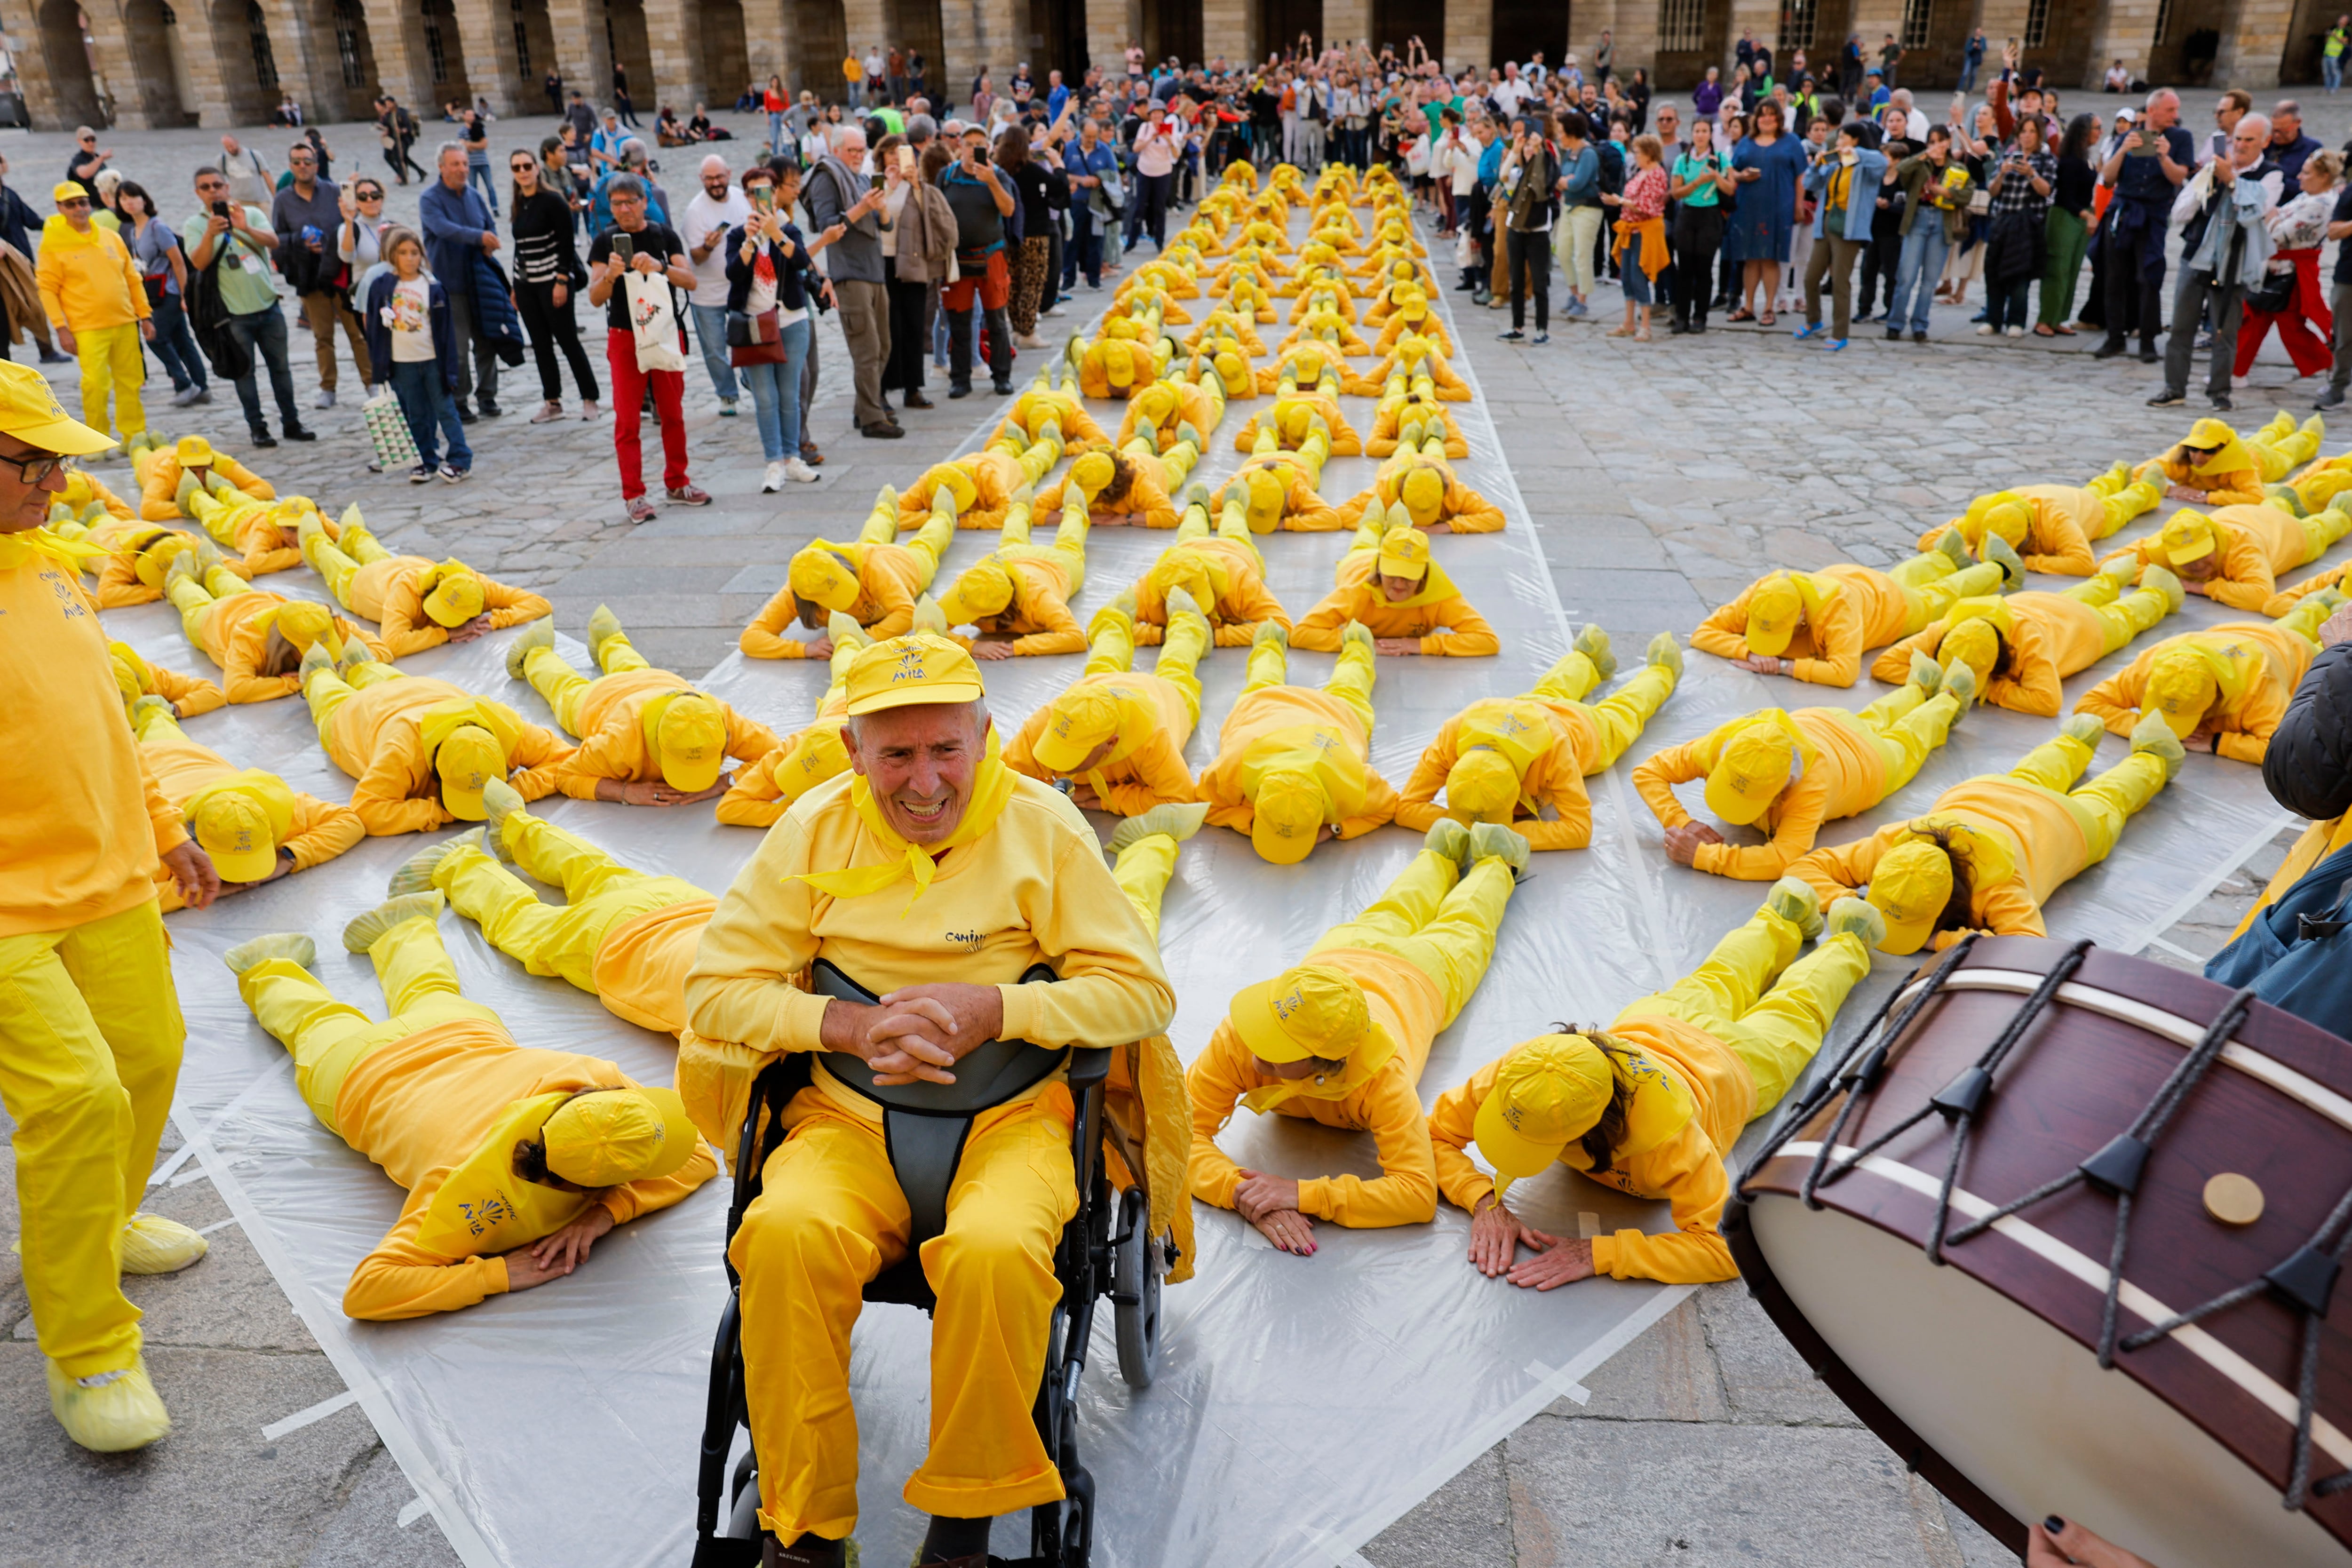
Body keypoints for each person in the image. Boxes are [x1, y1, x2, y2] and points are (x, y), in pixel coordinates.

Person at [677, 633, 1181, 1568]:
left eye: (945, 749)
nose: (924, 781)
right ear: (853, 752)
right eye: (896, 754)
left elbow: (1141, 995)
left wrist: (997, 1005)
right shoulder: (812, 828)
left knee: (995, 1251)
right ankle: (805, 1529)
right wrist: (847, 1026)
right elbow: (713, 991)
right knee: (782, 1234)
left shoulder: (1043, 829)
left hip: (1014, 1116)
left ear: (986, 737)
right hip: (844, 1115)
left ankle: (961, 1533)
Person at [0, 363, 219, 1453]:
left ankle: (105, 1218)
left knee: (147, 1054)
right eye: (30, 460)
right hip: (5, 917)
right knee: (79, 1097)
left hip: (105, 875)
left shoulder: (48, 564)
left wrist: (166, 827)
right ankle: (87, 1352)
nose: (54, 478)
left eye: (55, 459)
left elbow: (103, 719)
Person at [221, 905, 715, 1319]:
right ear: (578, 1191)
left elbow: (697, 1155)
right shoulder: (458, 1190)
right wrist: (499, 1272)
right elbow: (366, 1292)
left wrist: (603, 1214)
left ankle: (401, 929)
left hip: (456, 1032)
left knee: (430, 992)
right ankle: (266, 968)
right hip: (358, 1077)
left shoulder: (592, 1078)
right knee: (315, 1023)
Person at [1431, 883, 1882, 1287]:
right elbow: (1435, 1133)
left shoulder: (1672, 1140)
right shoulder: (1527, 1072)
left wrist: (1601, 1253)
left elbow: (1723, 1247)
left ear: (1590, 1131)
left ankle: (1849, 939)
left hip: (1738, 1062)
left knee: (1798, 1005)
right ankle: (1785, 913)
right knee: (1724, 974)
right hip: (1657, 1022)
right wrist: (1483, 1202)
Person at [1189, 819, 1529, 1252]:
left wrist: (1301, 1193)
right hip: (1343, 952)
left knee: (1467, 922)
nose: (1255, 1059)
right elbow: (1178, 1133)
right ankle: (1441, 852)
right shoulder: (1244, 1031)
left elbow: (1417, 1194)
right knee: (1401, 903)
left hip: (1425, 974)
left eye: (1276, 1054)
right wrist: (1241, 1191)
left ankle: (1495, 860)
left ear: (1327, 1061)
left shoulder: (1383, 1074)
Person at [1794, 712, 2187, 954]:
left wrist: (1945, 941)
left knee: (2109, 800)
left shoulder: (2000, 886)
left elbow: (2028, 948)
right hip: (1985, 795)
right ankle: (2077, 741)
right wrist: (1853, 901)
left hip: (2062, 824)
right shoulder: (1894, 844)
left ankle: (2149, 758)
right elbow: (1808, 867)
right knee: (2031, 776)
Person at [395, 780, 718, 1035]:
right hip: (625, 942)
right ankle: (455, 864)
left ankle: (516, 823)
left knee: (597, 871)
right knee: (530, 925)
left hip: (694, 906)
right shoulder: (739, 1035)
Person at [1633, 660, 1973, 880]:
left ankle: (1946, 698)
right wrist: (1682, 823)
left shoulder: (1810, 787)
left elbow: (1783, 858)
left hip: (1869, 763)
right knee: (1875, 719)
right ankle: (1917, 689)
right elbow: (1647, 772)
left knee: (1908, 741)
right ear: (1724, 760)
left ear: (1784, 787)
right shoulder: (1721, 746)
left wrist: (1705, 856)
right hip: (1823, 722)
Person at [1397, 631, 1682, 848]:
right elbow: (1405, 808)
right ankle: (1586, 657)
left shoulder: (1554, 752)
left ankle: (1662, 671)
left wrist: (1504, 833)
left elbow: (1579, 830)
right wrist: (1468, 826)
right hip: (1526, 709)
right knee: (1552, 687)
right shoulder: (1455, 733)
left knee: (1625, 711)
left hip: (1585, 730)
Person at [1198, 621, 1397, 862]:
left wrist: (1250, 822)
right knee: (1350, 685)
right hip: (1323, 712)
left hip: (1285, 707)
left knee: (1266, 679)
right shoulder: (1354, 782)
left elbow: (1202, 804)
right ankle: (1358, 645)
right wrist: (1333, 829)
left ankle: (1270, 640)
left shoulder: (1231, 769)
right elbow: (1388, 807)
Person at [132, 700, 362, 909]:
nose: (250, 882)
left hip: (197, 757)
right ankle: (150, 711)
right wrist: (201, 889)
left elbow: (350, 821)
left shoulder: (280, 812)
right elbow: (133, 899)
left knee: (165, 727)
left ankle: (155, 712)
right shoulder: (162, 843)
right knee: (150, 729)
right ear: (194, 847)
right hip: (149, 762)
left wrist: (288, 857)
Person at [1874, 567, 2186, 717]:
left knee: (2125, 619)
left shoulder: (2029, 643)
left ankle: (2155, 595)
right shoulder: (1947, 628)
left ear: (2002, 661)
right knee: (2083, 595)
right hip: (2040, 603)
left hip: (2082, 631)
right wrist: (1943, 681)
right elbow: (1884, 665)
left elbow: (2048, 701)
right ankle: (2110, 579)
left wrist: (1988, 689)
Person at [1693, 544, 2010, 687]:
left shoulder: (1838, 611)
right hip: (1849, 579)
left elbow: (1845, 674)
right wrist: (1748, 651)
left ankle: (1997, 568)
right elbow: (1703, 634)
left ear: (1803, 615)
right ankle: (1944, 555)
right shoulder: (1767, 591)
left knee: (1935, 600)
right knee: (1903, 579)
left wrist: (1782, 667)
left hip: (1887, 606)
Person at [1002, 587, 1207, 806]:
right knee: (1105, 660)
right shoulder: (1052, 718)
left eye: (1075, 754)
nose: (1059, 761)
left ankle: (1188, 621)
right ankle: (1114, 615)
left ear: (1111, 744)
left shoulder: (1154, 739)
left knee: (1177, 665)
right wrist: (1054, 794)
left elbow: (1180, 798)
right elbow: (999, 777)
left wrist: (1105, 799)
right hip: (1100, 688)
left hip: (1167, 695)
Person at [587, 175, 708, 521]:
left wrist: (661, 266)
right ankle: (634, 495)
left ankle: (677, 481)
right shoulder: (605, 241)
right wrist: (611, 276)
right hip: (625, 335)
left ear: (644, 201)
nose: (624, 209)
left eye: (630, 202)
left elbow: (690, 281)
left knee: (673, 413)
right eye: (617, 204)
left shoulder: (663, 235)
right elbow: (596, 298)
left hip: (665, 331)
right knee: (628, 420)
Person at [2077, 603, 2333, 764]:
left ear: (2215, 700)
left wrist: (2216, 742)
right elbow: (2090, 704)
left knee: (2327, 639)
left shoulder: (2258, 686)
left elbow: (2284, 749)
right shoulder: (2150, 666)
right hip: (2235, 634)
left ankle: (2322, 606)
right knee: (2296, 617)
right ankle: (2314, 607)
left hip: (2295, 654)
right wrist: (2147, 727)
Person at [2152, 114, 2281, 413]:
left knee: (2225, 331)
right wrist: (2210, 180)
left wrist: (2233, 182)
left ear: (2264, 142)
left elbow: (2258, 211)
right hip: (2197, 256)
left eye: (2249, 140)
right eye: (2237, 139)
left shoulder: (2271, 174)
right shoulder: (2212, 168)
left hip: (2235, 262)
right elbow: (2182, 212)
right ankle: (2174, 388)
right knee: (2182, 327)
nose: (2241, 146)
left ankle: (2220, 392)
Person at [738, 488, 956, 658]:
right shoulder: (801, 585)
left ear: (843, 569)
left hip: (905, 564)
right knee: (871, 540)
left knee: (926, 545)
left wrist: (862, 639)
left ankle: (943, 514)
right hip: (869, 557)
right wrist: (804, 649)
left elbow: (907, 613)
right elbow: (750, 640)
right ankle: (885, 509)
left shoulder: (871, 568)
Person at [185, 166, 314, 447]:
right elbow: (198, 263)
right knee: (244, 374)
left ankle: (292, 422)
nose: (213, 191)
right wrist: (209, 234)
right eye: (205, 187)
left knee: (281, 369)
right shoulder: (195, 225)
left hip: (269, 307)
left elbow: (274, 242)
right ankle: (258, 427)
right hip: (233, 316)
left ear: (228, 187)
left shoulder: (250, 214)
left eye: (217, 185)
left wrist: (244, 228)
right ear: (198, 193)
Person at [303, 512, 548, 656]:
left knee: (374, 550)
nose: (440, 620)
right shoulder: (406, 593)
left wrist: (496, 620)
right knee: (334, 564)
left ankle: (354, 532)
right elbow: (392, 643)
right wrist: (446, 633)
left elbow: (539, 604)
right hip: (363, 586)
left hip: (402, 565)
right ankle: (316, 536)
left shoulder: (476, 584)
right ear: (431, 591)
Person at [727, 163, 832, 490]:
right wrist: (749, 242)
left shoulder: (788, 231)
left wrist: (775, 234)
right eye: (754, 192)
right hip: (755, 324)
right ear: (746, 198)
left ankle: (792, 457)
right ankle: (773, 462)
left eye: (767, 191)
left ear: (775, 194)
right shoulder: (737, 235)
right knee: (765, 396)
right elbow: (733, 274)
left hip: (791, 319)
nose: (762, 198)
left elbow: (801, 260)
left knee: (790, 394)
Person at [161, 556, 387, 704]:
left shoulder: (325, 620)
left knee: (227, 580)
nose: (326, 655)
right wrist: (299, 680)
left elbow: (381, 650)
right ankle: (179, 577)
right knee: (189, 597)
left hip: (256, 599)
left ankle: (213, 568)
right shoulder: (248, 639)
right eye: (310, 649)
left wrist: (341, 669)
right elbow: (236, 689)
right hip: (211, 621)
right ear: (287, 646)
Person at [37, 181, 151, 446]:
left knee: (131, 383)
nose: (79, 209)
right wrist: (61, 329)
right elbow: (47, 289)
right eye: (71, 204)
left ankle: (134, 436)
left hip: (124, 322)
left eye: (83, 202)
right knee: (95, 386)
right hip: (87, 328)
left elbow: (132, 278)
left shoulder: (110, 237)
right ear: (59, 208)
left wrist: (144, 315)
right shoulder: (54, 244)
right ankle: (98, 439)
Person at [360, 225, 472, 482]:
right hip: (402, 362)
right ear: (393, 255)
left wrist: (451, 367)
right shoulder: (382, 286)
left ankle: (460, 459)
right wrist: (379, 365)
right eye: (403, 253)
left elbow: (446, 331)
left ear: (422, 255)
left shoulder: (432, 287)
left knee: (445, 409)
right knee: (417, 414)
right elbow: (375, 330)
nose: (410, 258)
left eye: (414, 252)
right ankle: (426, 460)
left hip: (433, 360)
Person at [1291, 518, 1497, 655]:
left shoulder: (1440, 594)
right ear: (1380, 566)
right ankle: (1374, 522)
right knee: (1365, 539)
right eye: (1392, 574)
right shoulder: (1356, 590)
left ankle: (1399, 523)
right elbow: (1301, 634)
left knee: (1394, 529)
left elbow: (1488, 641)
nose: (1399, 584)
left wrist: (1420, 645)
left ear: (1425, 573)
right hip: (1357, 561)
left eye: (1409, 576)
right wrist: (1363, 643)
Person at [2095, 89, 2194, 366]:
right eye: (2170, 110)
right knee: (2114, 276)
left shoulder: (2180, 138)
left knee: (2149, 277)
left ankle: (2147, 340)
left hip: (2153, 214)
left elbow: (2179, 177)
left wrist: (2165, 157)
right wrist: (2125, 149)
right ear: (2153, 111)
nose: (2175, 116)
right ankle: (2115, 337)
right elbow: (2109, 178)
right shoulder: (2130, 136)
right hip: (2124, 212)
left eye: (2176, 110)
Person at [270, 142, 369, 410]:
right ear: (291, 166)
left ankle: (371, 382)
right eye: (297, 161)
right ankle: (328, 387)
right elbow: (276, 240)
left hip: (340, 274)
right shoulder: (283, 200)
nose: (303, 166)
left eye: (308, 161)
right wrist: (301, 243)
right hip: (309, 277)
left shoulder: (333, 192)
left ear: (317, 164)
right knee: (323, 337)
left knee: (357, 332)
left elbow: (354, 225)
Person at [931, 489, 1089, 657]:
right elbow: (929, 626)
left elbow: (1077, 638)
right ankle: (1021, 505)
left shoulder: (1038, 598)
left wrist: (1016, 647)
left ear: (998, 612)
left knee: (1069, 543)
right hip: (1009, 560)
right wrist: (971, 646)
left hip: (1057, 564)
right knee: (1014, 539)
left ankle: (1074, 507)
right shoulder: (972, 583)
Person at [508, 144, 599, 423]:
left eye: (527, 166)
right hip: (527, 285)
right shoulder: (518, 203)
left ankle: (589, 398)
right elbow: (520, 247)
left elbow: (566, 244)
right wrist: (515, 286)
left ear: (537, 168)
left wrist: (561, 280)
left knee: (568, 340)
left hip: (553, 281)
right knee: (540, 344)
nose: (523, 172)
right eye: (517, 168)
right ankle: (553, 401)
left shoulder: (553, 201)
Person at [2236, 149, 2343, 381]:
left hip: (2290, 275)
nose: (2300, 177)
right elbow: (2275, 218)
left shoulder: (2321, 203)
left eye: (2306, 173)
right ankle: (2236, 371)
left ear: (2323, 177)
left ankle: (2333, 365)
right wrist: (2273, 217)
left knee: (2288, 326)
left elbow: (2277, 232)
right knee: (2257, 319)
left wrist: (2272, 217)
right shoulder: (2308, 197)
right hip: (2277, 270)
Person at [417, 144, 505, 422]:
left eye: (465, 164)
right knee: (457, 346)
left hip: (480, 282)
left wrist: (488, 238)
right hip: (449, 284)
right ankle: (460, 399)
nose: (463, 170)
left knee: (487, 341)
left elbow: (489, 225)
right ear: (442, 167)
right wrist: (479, 238)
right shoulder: (430, 199)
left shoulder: (475, 196)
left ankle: (488, 396)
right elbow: (443, 229)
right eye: (455, 164)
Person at [1794, 120, 1886, 349]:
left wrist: (1856, 152)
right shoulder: (1836, 165)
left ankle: (1840, 332)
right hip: (1826, 223)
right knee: (1811, 277)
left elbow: (1882, 163)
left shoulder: (1864, 165)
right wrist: (1816, 165)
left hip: (1849, 227)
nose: (1839, 142)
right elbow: (1810, 183)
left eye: (1844, 138)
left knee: (1840, 282)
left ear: (1855, 140)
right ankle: (1813, 320)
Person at [938, 131, 1017, 398]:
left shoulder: (998, 175)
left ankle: (1002, 377)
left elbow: (1008, 210)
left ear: (989, 148)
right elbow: (935, 210)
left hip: (991, 255)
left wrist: (992, 180)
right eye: (969, 145)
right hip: (957, 259)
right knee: (959, 320)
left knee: (996, 319)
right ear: (960, 146)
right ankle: (960, 379)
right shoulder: (947, 176)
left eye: (979, 145)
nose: (973, 150)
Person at [116, 182, 206, 407]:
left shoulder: (158, 228)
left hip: (170, 292)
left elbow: (178, 262)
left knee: (155, 337)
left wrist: (185, 295)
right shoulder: (130, 230)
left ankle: (184, 384)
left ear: (144, 200)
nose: (129, 202)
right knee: (182, 340)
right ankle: (202, 388)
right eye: (124, 198)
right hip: (151, 293)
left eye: (133, 197)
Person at [680, 154, 751, 418]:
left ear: (729, 174)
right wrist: (709, 245)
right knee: (715, 350)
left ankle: (751, 381)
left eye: (719, 176)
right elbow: (696, 258)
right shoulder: (695, 212)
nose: (715, 183)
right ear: (702, 180)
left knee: (747, 342)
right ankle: (728, 395)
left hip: (741, 288)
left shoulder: (742, 199)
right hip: (707, 294)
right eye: (709, 178)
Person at [1730, 101, 1805, 324]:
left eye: (1772, 115)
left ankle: (1770, 307)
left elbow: (1801, 175)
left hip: (1779, 204)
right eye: (1763, 115)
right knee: (1751, 258)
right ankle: (1749, 305)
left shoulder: (1791, 142)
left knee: (1771, 258)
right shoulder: (1747, 142)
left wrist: (1799, 205)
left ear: (1779, 118)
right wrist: (1742, 176)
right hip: (1749, 205)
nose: (1767, 119)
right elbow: (1733, 169)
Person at [2034, 114, 2099, 337]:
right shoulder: (2070, 161)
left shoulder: (2086, 158)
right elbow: (2065, 197)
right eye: (2096, 128)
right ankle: (2045, 318)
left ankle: (2060, 317)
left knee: (2072, 271)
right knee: (2057, 271)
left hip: (2080, 219)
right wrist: (2086, 215)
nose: (2100, 132)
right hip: (2064, 217)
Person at [1668, 119, 1732, 333]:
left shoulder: (1720, 159)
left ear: (1710, 135)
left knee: (1704, 268)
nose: (1701, 135)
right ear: (1692, 133)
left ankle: (1700, 317)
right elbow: (1676, 192)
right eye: (1697, 131)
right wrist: (1698, 182)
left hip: (1710, 215)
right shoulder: (1683, 160)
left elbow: (1730, 189)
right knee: (1685, 268)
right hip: (1688, 214)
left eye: (1705, 131)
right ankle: (1682, 316)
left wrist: (1715, 176)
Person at [1496, 117, 1555, 343]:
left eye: (1533, 146)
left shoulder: (1545, 164)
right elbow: (1503, 176)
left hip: (1538, 230)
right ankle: (1518, 326)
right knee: (1516, 280)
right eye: (1528, 147)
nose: (1530, 150)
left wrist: (1540, 150)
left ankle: (1542, 329)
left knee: (1539, 282)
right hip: (1517, 230)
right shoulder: (1518, 172)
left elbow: (1543, 186)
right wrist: (1516, 150)